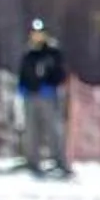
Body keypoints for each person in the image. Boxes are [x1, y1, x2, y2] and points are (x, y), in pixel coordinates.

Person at [17, 19, 71, 177]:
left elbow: (60, 73)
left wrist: (51, 85)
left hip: (48, 96)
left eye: (40, 34)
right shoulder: (28, 53)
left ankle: (59, 161)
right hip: (30, 96)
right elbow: (23, 73)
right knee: (31, 130)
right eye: (35, 34)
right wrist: (22, 87)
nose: (38, 37)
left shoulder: (53, 53)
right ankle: (32, 160)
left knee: (53, 129)